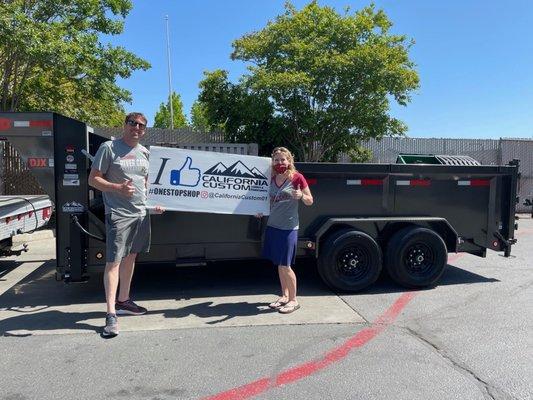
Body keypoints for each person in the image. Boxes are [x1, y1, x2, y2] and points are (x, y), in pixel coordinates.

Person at [88, 112, 164, 337]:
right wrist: (117, 188)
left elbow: (147, 183)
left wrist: (155, 204)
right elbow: (93, 179)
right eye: (133, 123)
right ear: (125, 125)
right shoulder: (109, 148)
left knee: (131, 257)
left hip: (141, 214)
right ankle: (111, 313)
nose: (137, 128)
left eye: (141, 125)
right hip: (119, 214)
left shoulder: (144, 152)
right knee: (113, 261)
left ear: (144, 130)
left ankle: (124, 299)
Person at [260, 146, 313, 314]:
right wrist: (260, 211)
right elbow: (268, 202)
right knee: (279, 264)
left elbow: (310, 200)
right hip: (273, 225)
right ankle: (284, 296)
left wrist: (301, 196)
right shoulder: (271, 178)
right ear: (272, 162)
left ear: (289, 161)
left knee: (286, 265)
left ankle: (293, 300)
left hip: (288, 227)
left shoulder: (297, 178)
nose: (280, 162)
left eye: (283, 159)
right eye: (276, 160)